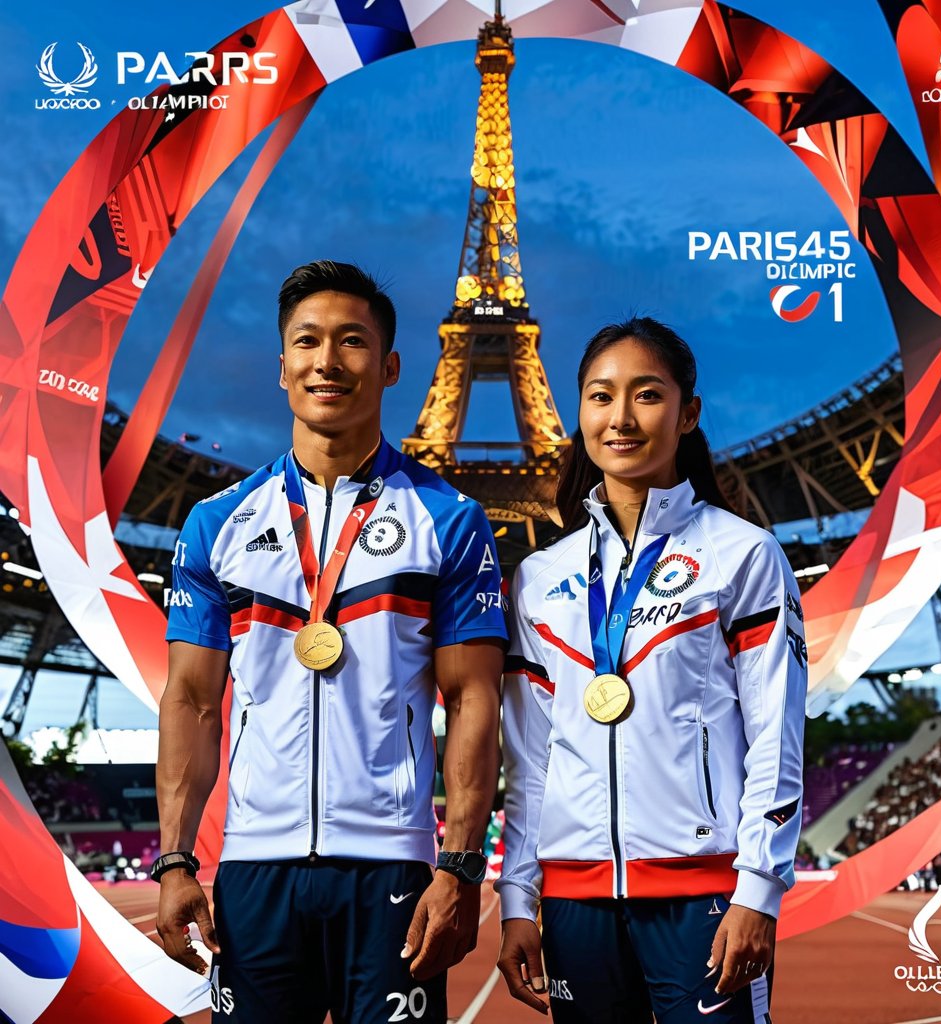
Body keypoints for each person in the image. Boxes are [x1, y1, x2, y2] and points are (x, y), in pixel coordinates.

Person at [155, 261, 507, 1023]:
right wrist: (177, 858)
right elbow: (191, 699)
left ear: (389, 366)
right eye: (307, 341)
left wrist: (460, 864)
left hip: (393, 865)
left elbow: (474, 696)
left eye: (351, 342)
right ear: (282, 366)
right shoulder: (218, 524)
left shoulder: (448, 518)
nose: (327, 360)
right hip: (255, 868)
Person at [495, 318, 807, 1023]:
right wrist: (519, 899)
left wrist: (757, 889)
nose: (622, 418)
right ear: (578, 413)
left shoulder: (745, 556)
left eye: (647, 395)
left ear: (688, 413)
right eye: (602, 397)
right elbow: (530, 759)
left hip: (706, 897)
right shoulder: (541, 578)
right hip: (574, 906)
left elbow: (775, 740)